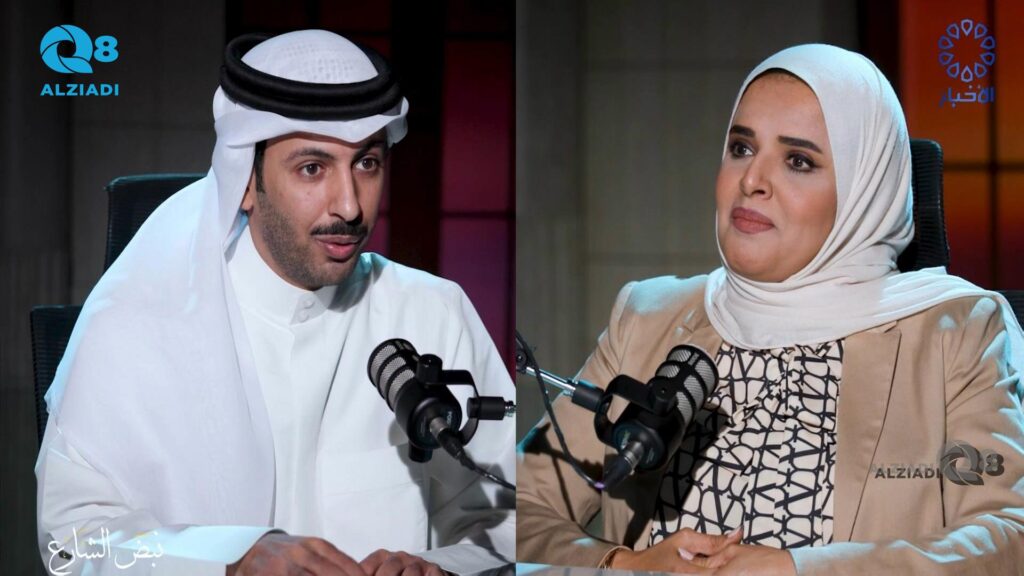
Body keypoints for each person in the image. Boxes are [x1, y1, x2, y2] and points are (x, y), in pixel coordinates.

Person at [517, 43, 1024, 575]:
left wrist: (798, 570)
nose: (751, 181)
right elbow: (512, 506)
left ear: (863, 191)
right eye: (740, 148)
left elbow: (1009, 538)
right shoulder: (649, 316)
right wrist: (623, 565)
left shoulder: (956, 331)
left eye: (798, 161)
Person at [37, 30, 515, 576]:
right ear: (244, 182)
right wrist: (228, 561)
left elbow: (511, 516)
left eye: (366, 164)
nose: (349, 206)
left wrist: (439, 568)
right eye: (313, 168)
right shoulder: (134, 325)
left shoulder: (433, 312)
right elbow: (71, 545)